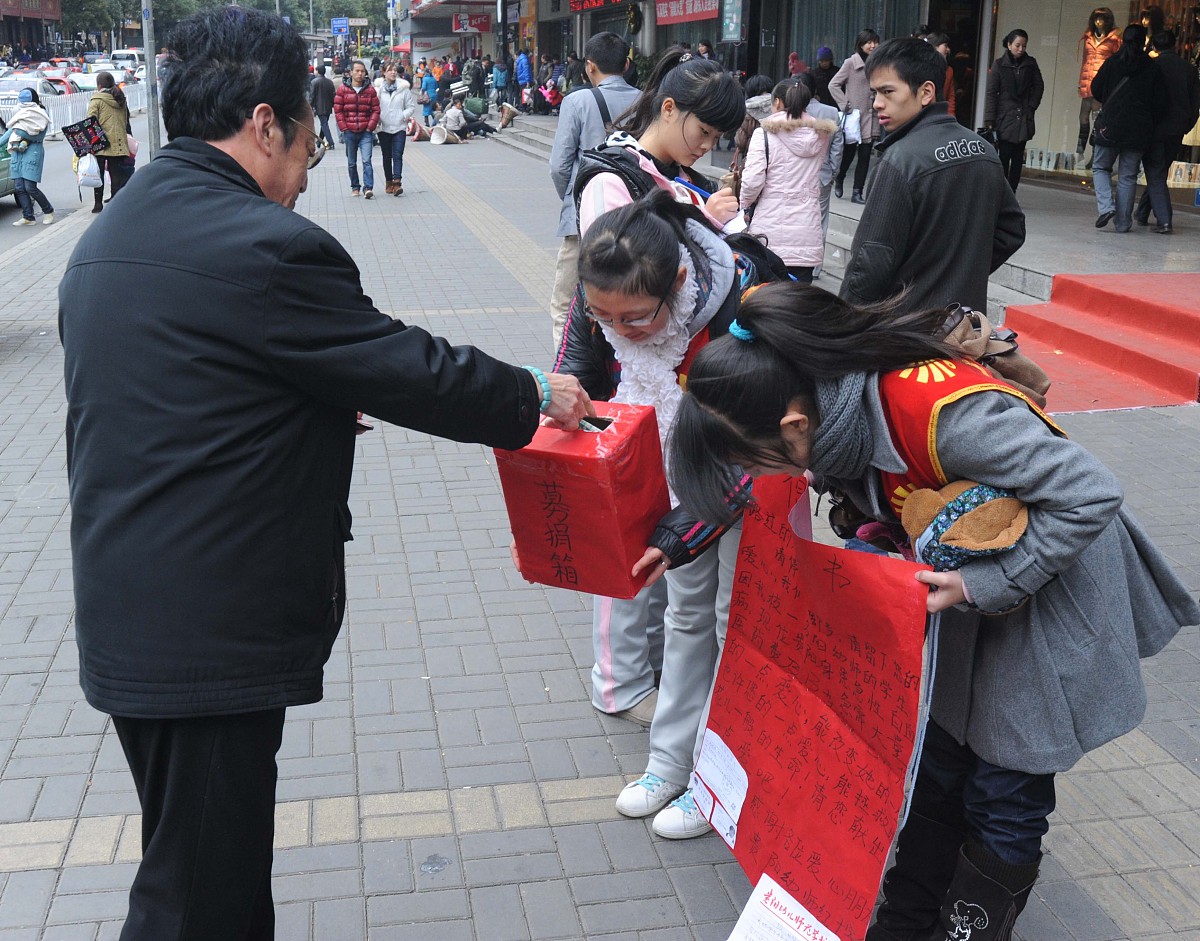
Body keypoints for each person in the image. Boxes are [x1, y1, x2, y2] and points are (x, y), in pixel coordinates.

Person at [58, 9, 591, 939]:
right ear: (264, 124)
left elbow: (176, 395)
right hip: (207, 633)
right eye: (305, 148)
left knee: (195, 860)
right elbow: (407, 369)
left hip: (132, 605)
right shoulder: (265, 247)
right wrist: (536, 390)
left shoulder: (115, 230)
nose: (304, 180)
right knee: (197, 899)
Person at [666, 281, 1198, 941]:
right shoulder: (828, 404)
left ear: (794, 425)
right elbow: (791, 476)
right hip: (965, 590)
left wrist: (987, 583)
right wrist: (679, 538)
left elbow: (1091, 493)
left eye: (758, 460)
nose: (764, 475)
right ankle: (903, 924)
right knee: (939, 770)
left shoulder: (939, 412)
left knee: (1005, 789)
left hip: (1043, 584)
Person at [568, 49, 749, 840]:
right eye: (605, 319)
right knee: (683, 617)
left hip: (742, 486)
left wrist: (680, 530)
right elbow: (582, 353)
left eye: (633, 322)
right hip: (683, 475)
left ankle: (717, 778)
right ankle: (671, 764)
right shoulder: (618, 275)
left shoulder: (733, 330)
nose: (621, 336)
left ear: (677, 288)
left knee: (730, 620)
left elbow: (745, 461)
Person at [840, 37, 1025, 314]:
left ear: (926, 92)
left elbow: (871, 261)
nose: (878, 103)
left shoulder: (900, 160)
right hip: (964, 329)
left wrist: (843, 323)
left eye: (887, 92)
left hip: (907, 331)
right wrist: (961, 273)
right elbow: (1012, 230)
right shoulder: (983, 150)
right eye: (874, 93)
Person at [548, 31, 641, 348]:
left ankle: (569, 369)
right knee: (624, 302)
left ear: (589, 66)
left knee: (565, 305)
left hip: (580, 224)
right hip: (631, 220)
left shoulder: (576, 101)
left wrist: (575, 201)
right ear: (626, 64)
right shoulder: (645, 101)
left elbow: (559, 166)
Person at [739, 80, 837, 283]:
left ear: (777, 102)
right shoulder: (820, 135)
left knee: (767, 303)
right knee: (799, 305)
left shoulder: (764, 134)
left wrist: (744, 205)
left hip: (769, 233)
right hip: (806, 232)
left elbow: (752, 182)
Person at [1090, 24, 1166, 231]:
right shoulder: (1152, 67)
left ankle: (1106, 207)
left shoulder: (1113, 62)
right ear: (1144, 43)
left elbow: (1095, 89)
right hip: (1139, 129)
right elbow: (1160, 102)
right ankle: (1123, 223)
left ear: (1123, 40)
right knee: (1127, 176)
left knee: (1100, 167)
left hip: (1111, 126)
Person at [1134, 30, 1200, 233]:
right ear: (1174, 44)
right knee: (1159, 171)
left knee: (1155, 172)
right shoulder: (1188, 69)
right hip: (1177, 129)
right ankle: (1143, 212)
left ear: (1154, 46)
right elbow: (1195, 104)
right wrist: (1186, 125)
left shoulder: (1153, 66)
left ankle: (1164, 220)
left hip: (1155, 128)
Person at [795, 70, 844, 279]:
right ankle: (815, 266)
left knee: (797, 216)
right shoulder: (831, 112)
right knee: (820, 219)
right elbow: (838, 146)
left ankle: (797, 260)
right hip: (823, 174)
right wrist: (833, 170)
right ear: (815, 89)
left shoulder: (792, 111)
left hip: (796, 174)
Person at [984, 29, 1044, 192]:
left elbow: (1039, 86)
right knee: (1003, 157)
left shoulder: (1030, 64)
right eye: (1017, 45)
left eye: (1024, 46)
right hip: (1004, 116)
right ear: (1009, 45)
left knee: (1017, 159)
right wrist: (989, 119)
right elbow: (991, 92)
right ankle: (1002, 192)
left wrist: (1031, 106)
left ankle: (1012, 191)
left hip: (1023, 116)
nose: (1021, 49)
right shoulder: (999, 64)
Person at [830, 28, 881, 203]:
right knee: (849, 154)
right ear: (860, 44)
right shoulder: (851, 63)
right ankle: (840, 177)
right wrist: (845, 104)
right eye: (869, 42)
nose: (872, 45)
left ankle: (857, 192)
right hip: (854, 119)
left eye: (875, 42)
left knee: (865, 156)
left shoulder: (879, 63)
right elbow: (833, 84)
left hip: (871, 116)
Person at [0, 87, 54, 226]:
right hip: (17, 153)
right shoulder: (19, 115)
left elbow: (39, 136)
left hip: (33, 152)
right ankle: (28, 217)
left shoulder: (40, 115)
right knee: (19, 187)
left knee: (30, 187)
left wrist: (20, 132)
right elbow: (7, 135)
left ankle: (48, 211)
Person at [1077, 7, 1122, 158]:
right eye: (1096, 19)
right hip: (1087, 81)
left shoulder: (1115, 39)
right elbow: (1085, 60)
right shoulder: (1088, 37)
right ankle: (1080, 153)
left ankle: (1095, 155)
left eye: (1102, 19)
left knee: (1097, 120)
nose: (1098, 22)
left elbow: (1117, 63)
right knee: (1083, 117)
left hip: (1102, 84)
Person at [334, 59, 380, 198]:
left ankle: (368, 188)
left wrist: (370, 127)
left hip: (366, 132)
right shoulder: (342, 89)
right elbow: (338, 111)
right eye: (357, 71)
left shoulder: (370, 90)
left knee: (367, 160)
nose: (360, 74)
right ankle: (355, 186)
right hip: (349, 132)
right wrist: (344, 128)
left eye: (362, 71)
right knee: (351, 162)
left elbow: (376, 110)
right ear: (351, 72)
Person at [87, 70, 132, 213]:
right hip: (118, 140)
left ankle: (98, 204)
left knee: (98, 173)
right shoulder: (120, 98)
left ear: (99, 85)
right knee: (115, 173)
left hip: (101, 142)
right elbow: (126, 120)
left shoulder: (97, 99)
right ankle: (115, 202)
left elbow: (90, 121)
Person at [374, 62, 414, 195]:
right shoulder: (378, 89)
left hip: (399, 127)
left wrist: (402, 115)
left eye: (395, 70)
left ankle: (397, 182)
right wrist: (377, 117)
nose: (393, 72)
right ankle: (388, 182)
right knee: (387, 156)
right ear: (384, 73)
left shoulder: (404, 88)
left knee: (398, 155)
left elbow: (411, 107)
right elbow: (374, 107)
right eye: (390, 70)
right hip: (383, 127)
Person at [926, 32, 956, 118]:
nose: (948, 50)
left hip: (941, 116)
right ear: (935, 46)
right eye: (945, 46)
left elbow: (951, 97)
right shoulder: (921, 68)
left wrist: (950, 117)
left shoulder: (949, 71)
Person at [309, 65, 336, 150]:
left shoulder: (314, 82)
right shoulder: (329, 82)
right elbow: (333, 95)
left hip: (319, 107)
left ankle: (330, 142)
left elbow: (312, 96)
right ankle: (319, 141)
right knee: (324, 124)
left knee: (324, 124)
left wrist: (310, 106)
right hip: (328, 107)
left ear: (318, 71)